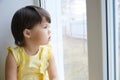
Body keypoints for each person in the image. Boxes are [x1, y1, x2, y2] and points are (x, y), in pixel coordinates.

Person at [5, 5, 59, 80]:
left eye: (48, 27)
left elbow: (54, 77)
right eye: (45, 27)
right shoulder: (14, 56)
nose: (49, 31)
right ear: (27, 33)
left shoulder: (48, 52)